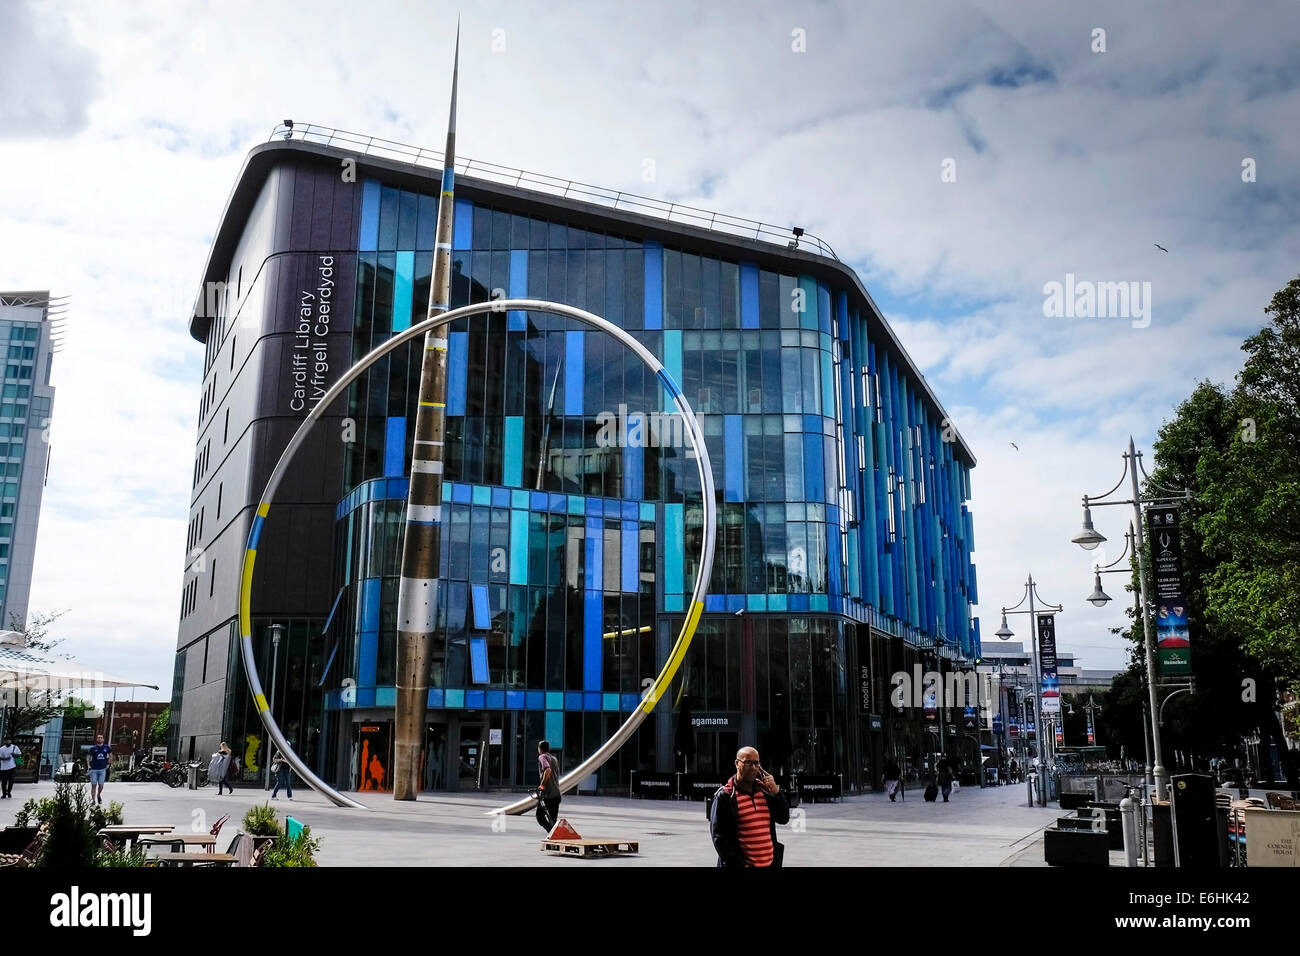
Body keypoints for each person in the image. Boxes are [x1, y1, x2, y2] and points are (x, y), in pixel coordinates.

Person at [709, 746, 790, 867]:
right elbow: (720, 839)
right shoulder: (725, 796)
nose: (753, 768)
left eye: (756, 763)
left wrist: (776, 793)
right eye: (748, 763)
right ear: (737, 763)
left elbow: (783, 818)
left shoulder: (765, 792)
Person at [534, 740, 561, 832]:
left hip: (547, 795)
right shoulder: (554, 758)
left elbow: (548, 770)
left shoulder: (542, 757)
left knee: (540, 816)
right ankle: (554, 837)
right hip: (556, 794)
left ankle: (552, 834)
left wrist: (542, 785)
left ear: (539, 748)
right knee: (553, 820)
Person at [87, 734, 113, 805]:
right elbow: (88, 757)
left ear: (103, 739)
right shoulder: (93, 748)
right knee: (93, 785)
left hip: (102, 769)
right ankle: (93, 800)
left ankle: (98, 795)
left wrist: (108, 764)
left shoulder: (106, 747)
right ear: (97, 739)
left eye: (101, 738)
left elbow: (111, 756)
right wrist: (89, 765)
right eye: (98, 738)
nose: (99, 739)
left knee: (101, 785)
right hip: (94, 770)